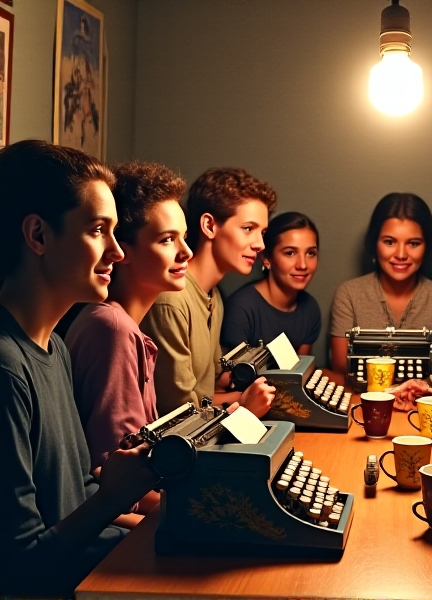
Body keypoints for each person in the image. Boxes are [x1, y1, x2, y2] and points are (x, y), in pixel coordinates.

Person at [0, 140, 157, 597]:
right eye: (97, 230)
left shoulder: (56, 349)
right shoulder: (8, 369)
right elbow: (18, 569)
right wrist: (112, 496)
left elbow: (73, 496)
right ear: (39, 236)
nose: (118, 252)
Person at [65, 161, 192, 527]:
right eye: (167, 240)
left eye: (183, 238)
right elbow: (120, 483)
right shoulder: (113, 328)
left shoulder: (121, 324)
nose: (187, 253)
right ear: (126, 249)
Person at [140, 167, 277, 417]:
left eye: (263, 233)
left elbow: (209, 389)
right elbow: (179, 412)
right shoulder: (171, 300)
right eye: (248, 228)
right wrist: (244, 406)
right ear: (209, 225)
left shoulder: (214, 297)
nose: (260, 245)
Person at [330, 192, 432, 376]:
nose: (401, 254)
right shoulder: (348, 294)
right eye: (390, 242)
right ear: (375, 244)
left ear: (427, 246)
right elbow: (341, 366)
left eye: (413, 243)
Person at [221, 211, 321, 354]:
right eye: (290, 253)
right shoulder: (241, 309)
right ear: (267, 259)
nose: (303, 265)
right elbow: (228, 374)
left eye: (310, 253)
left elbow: (300, 372)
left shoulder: (310, 309)